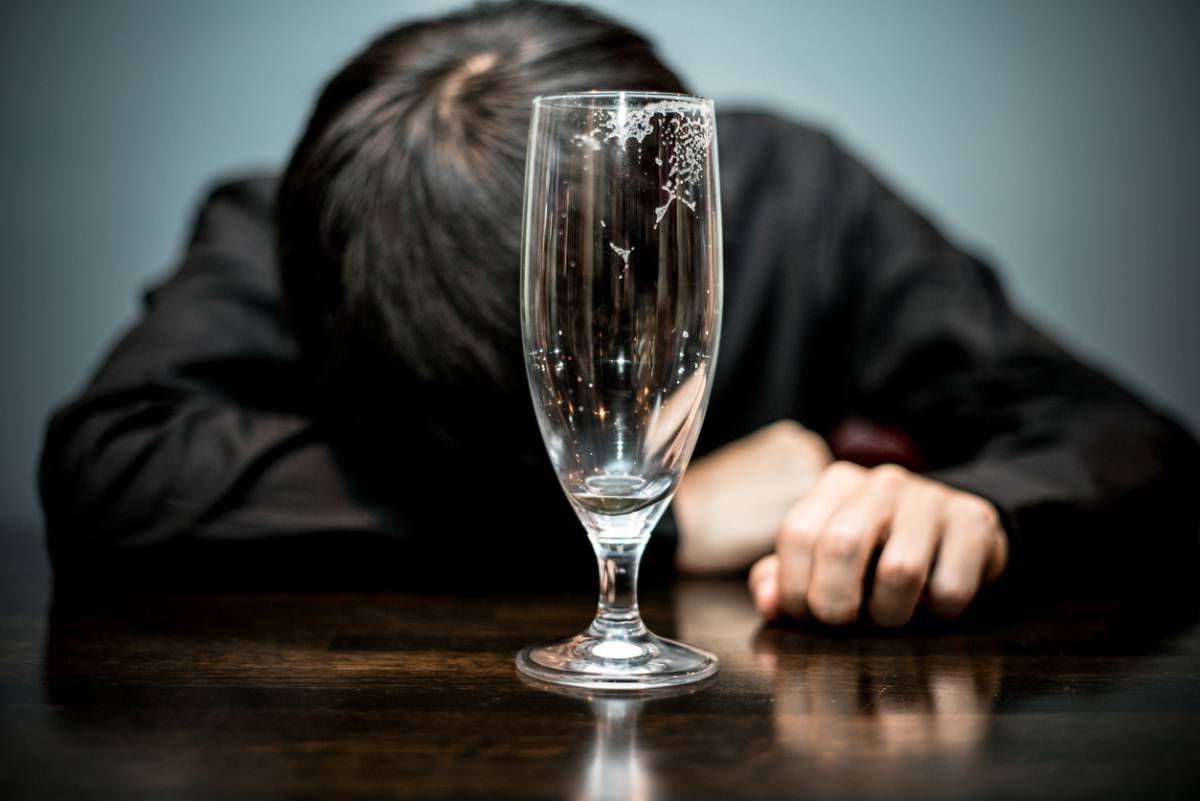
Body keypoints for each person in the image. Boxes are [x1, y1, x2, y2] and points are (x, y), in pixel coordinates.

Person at [40, 1, 1199, 625]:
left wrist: (973, 511)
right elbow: (113, 471)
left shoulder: (793, 197)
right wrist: (674, 517)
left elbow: (1128, 442)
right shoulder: (293, 227)